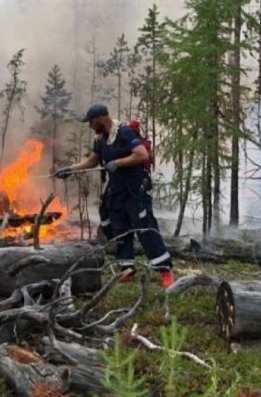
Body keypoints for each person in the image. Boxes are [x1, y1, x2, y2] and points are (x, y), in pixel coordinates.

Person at [54, 104, 174, 287]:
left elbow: (141, 155)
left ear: (101, 119)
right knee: (119, 228)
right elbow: (93, 160)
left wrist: (118, 162)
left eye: (91, 122)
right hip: (116, 189)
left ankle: (164, 269)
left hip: (135, 189)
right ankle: (126, 269)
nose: (90, 126)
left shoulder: (124, 133)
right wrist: (70, 170)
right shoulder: (100, 138)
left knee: (145, 227)